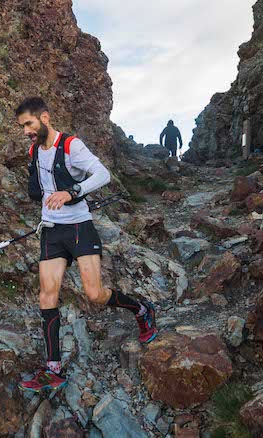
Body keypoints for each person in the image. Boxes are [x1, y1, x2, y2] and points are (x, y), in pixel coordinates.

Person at [14, 97, 159, 393]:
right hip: (52, 231)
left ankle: (142, 310)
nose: (25, 131)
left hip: (80, 227)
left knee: (94, 293)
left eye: (29, 124)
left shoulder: (70, 146)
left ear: (44, 117)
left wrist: (72, 192)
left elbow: (102, 174)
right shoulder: (34, 151)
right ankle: (53, 369)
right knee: (46, 296)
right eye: (22, 126)